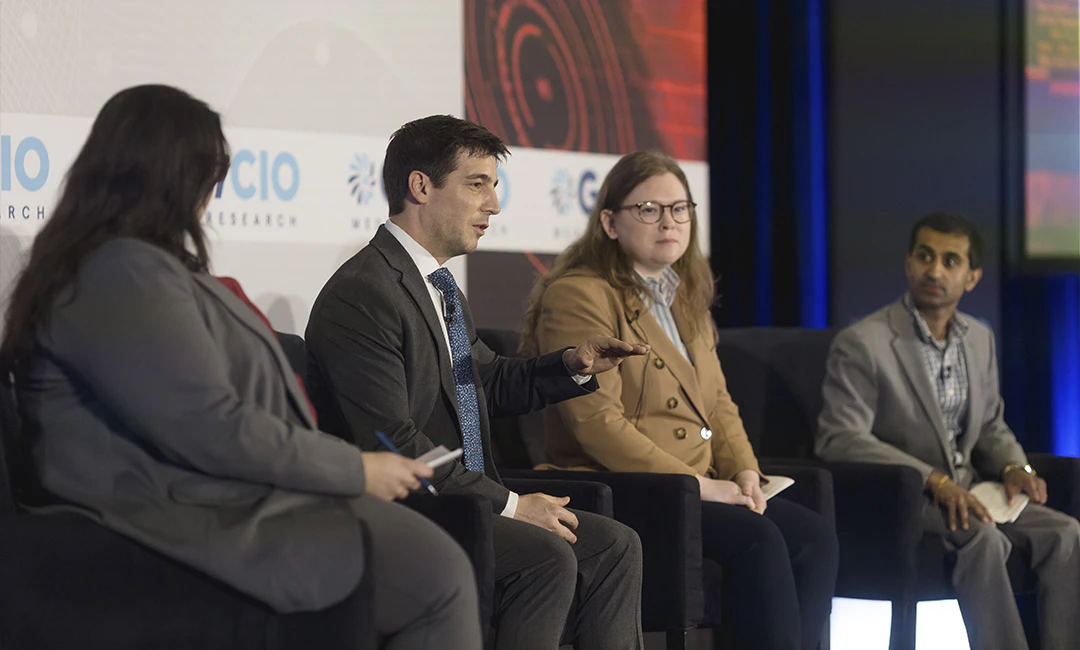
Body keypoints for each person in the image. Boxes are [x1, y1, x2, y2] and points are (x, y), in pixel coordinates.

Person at [0, 85, 483, 649]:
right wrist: (357, 471)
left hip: (220, 493)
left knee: (438, 566)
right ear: (175, 173)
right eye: (210, 172)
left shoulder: (141, 266)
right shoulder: (120, 272)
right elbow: (211, 426)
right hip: (181, 509)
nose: (212, 193)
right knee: (436, 576)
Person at [305, 115, 647, 650]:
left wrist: (575, 364)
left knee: (615, 545)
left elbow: (484, 381)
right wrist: (510, 505)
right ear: (421, 186)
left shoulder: (439, 286)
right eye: (476, 184)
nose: (493, 204)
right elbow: (390, 439)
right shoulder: (364, 293)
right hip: (403, 509)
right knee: (546, 556)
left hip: (465, 500)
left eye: (494, 185)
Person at [521, 150, 839, 650]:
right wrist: (700, 487)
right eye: (649, 209)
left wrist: (746, 473)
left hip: (695, 489)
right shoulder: (580, 294)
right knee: (759, 540)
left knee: (813, 535)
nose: (668, 221)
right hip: (626, 490)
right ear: (609, 222)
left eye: (680, 209)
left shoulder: (684, 298)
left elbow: (718, 405)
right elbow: (598, 424)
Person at [816, 213, 1080, 650]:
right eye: (925, 256)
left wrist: (1015, 465)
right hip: (906, 495)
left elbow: (992, 425)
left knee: (1066, 534)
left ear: (972, 276)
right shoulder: (864, 342)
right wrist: (932, 479)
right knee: (983, 540)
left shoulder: (979, 337)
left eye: (950, 261)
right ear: (907, 263)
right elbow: (839, 437)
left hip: (973, 488)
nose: (934, 270)